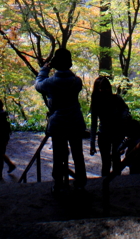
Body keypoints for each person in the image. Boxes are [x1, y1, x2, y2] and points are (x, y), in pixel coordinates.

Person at [34, 47, 87, 191]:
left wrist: (45, 69)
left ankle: (58, 184)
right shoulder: (76, 81)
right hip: (75, 121)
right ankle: (80, 182)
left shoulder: (50, 83)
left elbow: (38, 85)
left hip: (58, 123)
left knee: (58, 154)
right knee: (77, 153)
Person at [89, 76, 132, 177]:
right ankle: (106, 184)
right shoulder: (96, 102)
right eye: (100, 88)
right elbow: (93, 123)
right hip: (104, 134)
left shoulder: (116, 98)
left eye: (105, 87)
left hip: (117, 133)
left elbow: (125, 109)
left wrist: (123, 116)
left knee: (116, 159)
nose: (103, 90)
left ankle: (115, 182)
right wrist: (92, 143)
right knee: (106, 162)